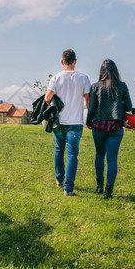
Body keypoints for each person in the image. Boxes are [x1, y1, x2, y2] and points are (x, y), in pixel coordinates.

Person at [45, 49, 91, 196]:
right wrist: (89, 118)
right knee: (72, 155)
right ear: (75, 61)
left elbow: (47, 98)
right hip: (76, 122)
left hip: (59, 122)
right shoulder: (84, 78)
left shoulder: (56, 78)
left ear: (62, 62)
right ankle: (68, 188)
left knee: (59, 151)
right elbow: (88, 101)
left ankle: (59, 180)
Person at [86, 59, 133, 199]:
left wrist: (88, 122)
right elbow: (129, 107)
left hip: (99, 126)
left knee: (99, 155)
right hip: (116, 126)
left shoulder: (95, 86)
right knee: (112, 160)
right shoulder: (122, 86)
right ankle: (108, 192)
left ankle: (99, 186)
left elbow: (92, 108)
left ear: (101, 71)